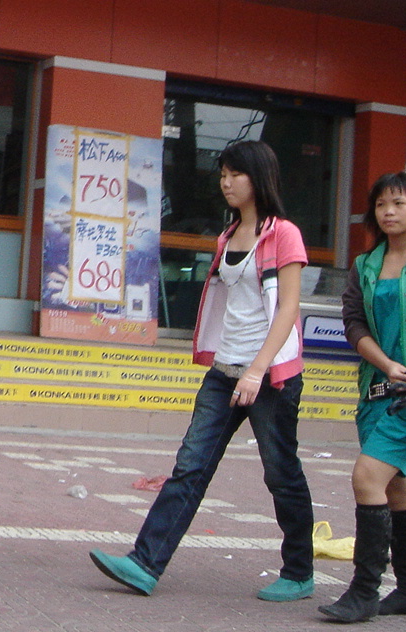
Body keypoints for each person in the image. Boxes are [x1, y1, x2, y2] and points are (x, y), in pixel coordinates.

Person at [89, 140, 314, 602]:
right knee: (190, 466)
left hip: (269, 376)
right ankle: (144, 563)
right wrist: (229, 364)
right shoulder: (227, 236)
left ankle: (299, 572)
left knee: (280, 473)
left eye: (235, 174)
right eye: (223, 175)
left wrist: (256, 371)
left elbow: (289, 308)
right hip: (225, 371)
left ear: (259, 177)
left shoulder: (284, 234)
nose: (226, 183)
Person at [319, 171, 406, 623]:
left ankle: (364, 591)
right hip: (375, 390)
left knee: (367, 477)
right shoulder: (366, 265)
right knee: (398, 488)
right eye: (381, 205)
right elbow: (354, 324)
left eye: (398, 203)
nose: (389, 212)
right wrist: (385, 364)